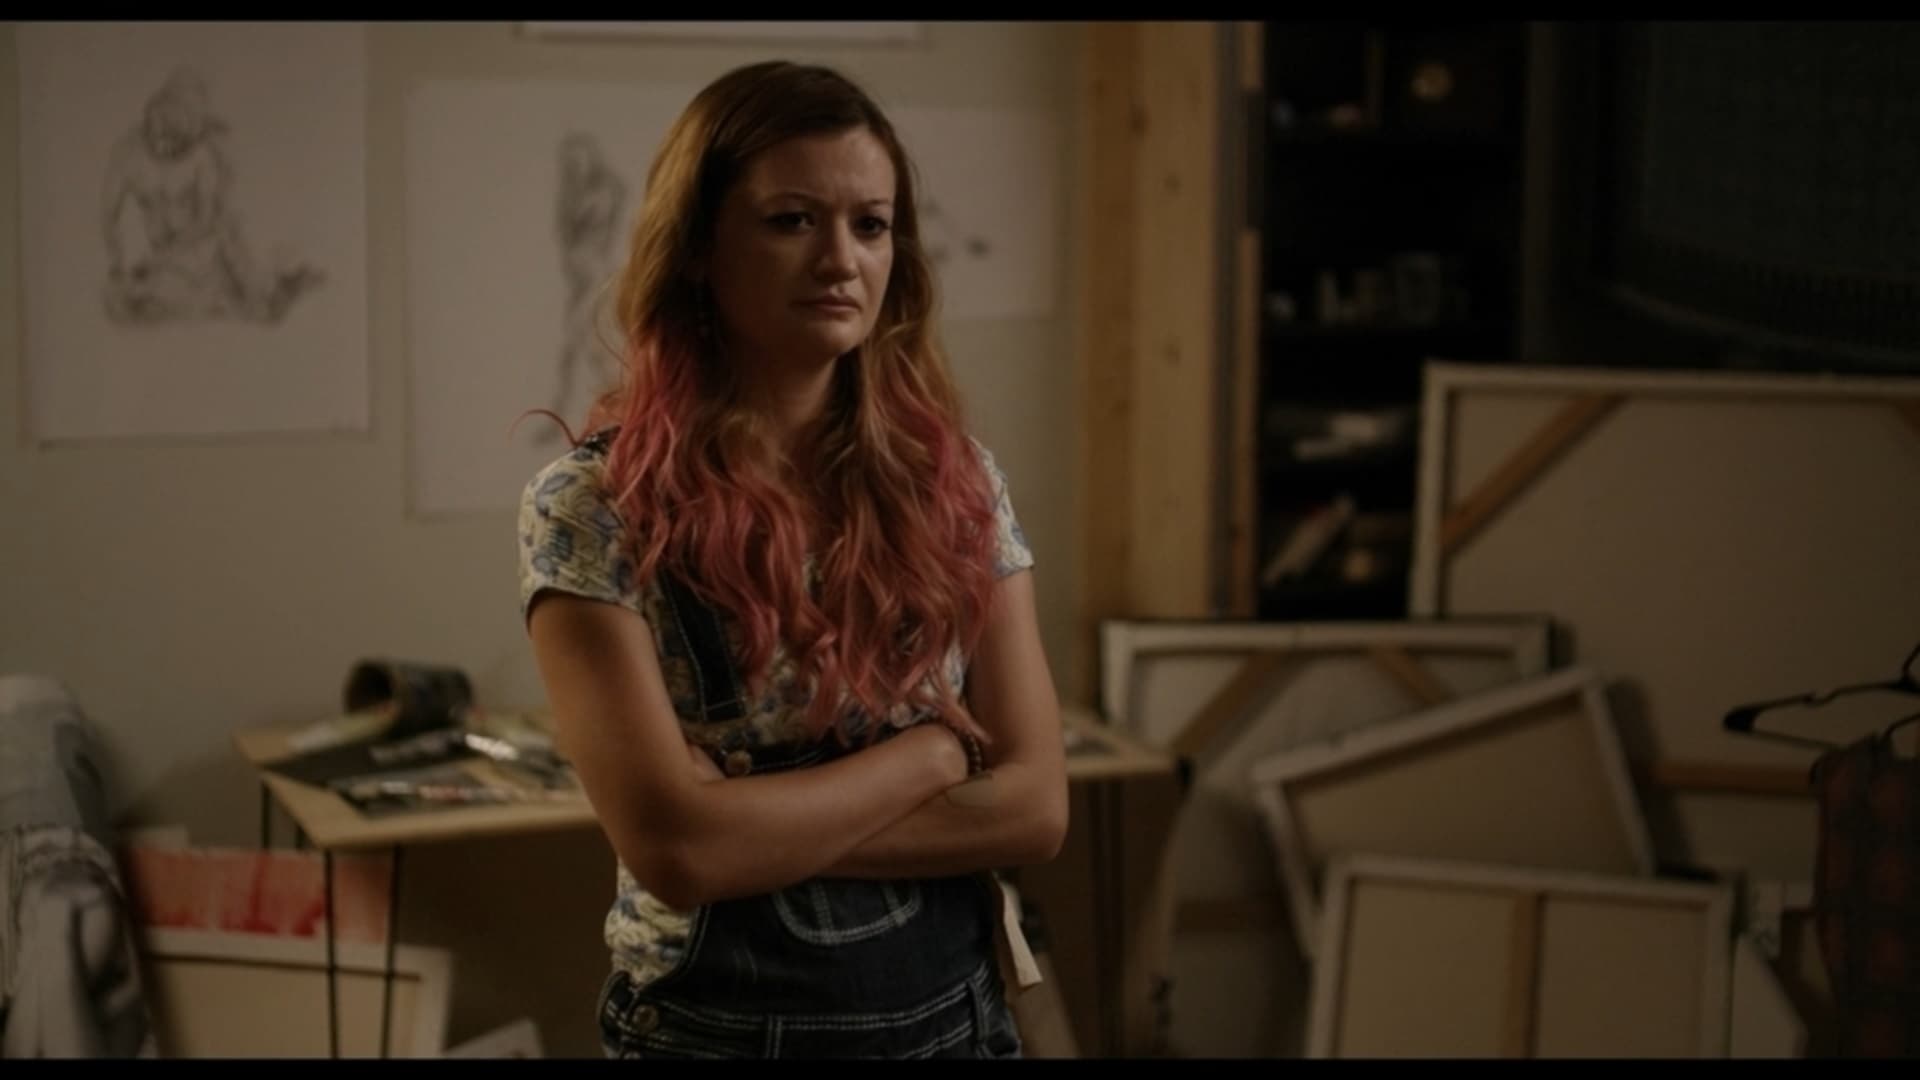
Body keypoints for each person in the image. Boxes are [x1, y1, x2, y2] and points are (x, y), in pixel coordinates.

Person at [516, 60, 1068, 1059]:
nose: (841, 261)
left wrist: (747, 825)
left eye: (872, 224)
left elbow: (1035, 810)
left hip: (955, 1023)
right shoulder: (595, 507)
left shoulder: (959, 483)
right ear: (697, 248)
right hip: (717, 1036)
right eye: (791, 221)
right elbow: (678, 853)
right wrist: (934, 758)